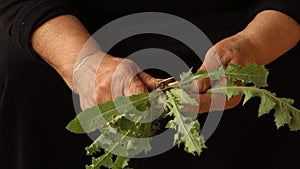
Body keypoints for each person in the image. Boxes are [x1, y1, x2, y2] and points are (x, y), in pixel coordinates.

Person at [0, 0, 299, 169]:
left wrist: (254, 45)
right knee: (25, 74)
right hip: (75, 22)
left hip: (242, 23)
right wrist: (83, 63)